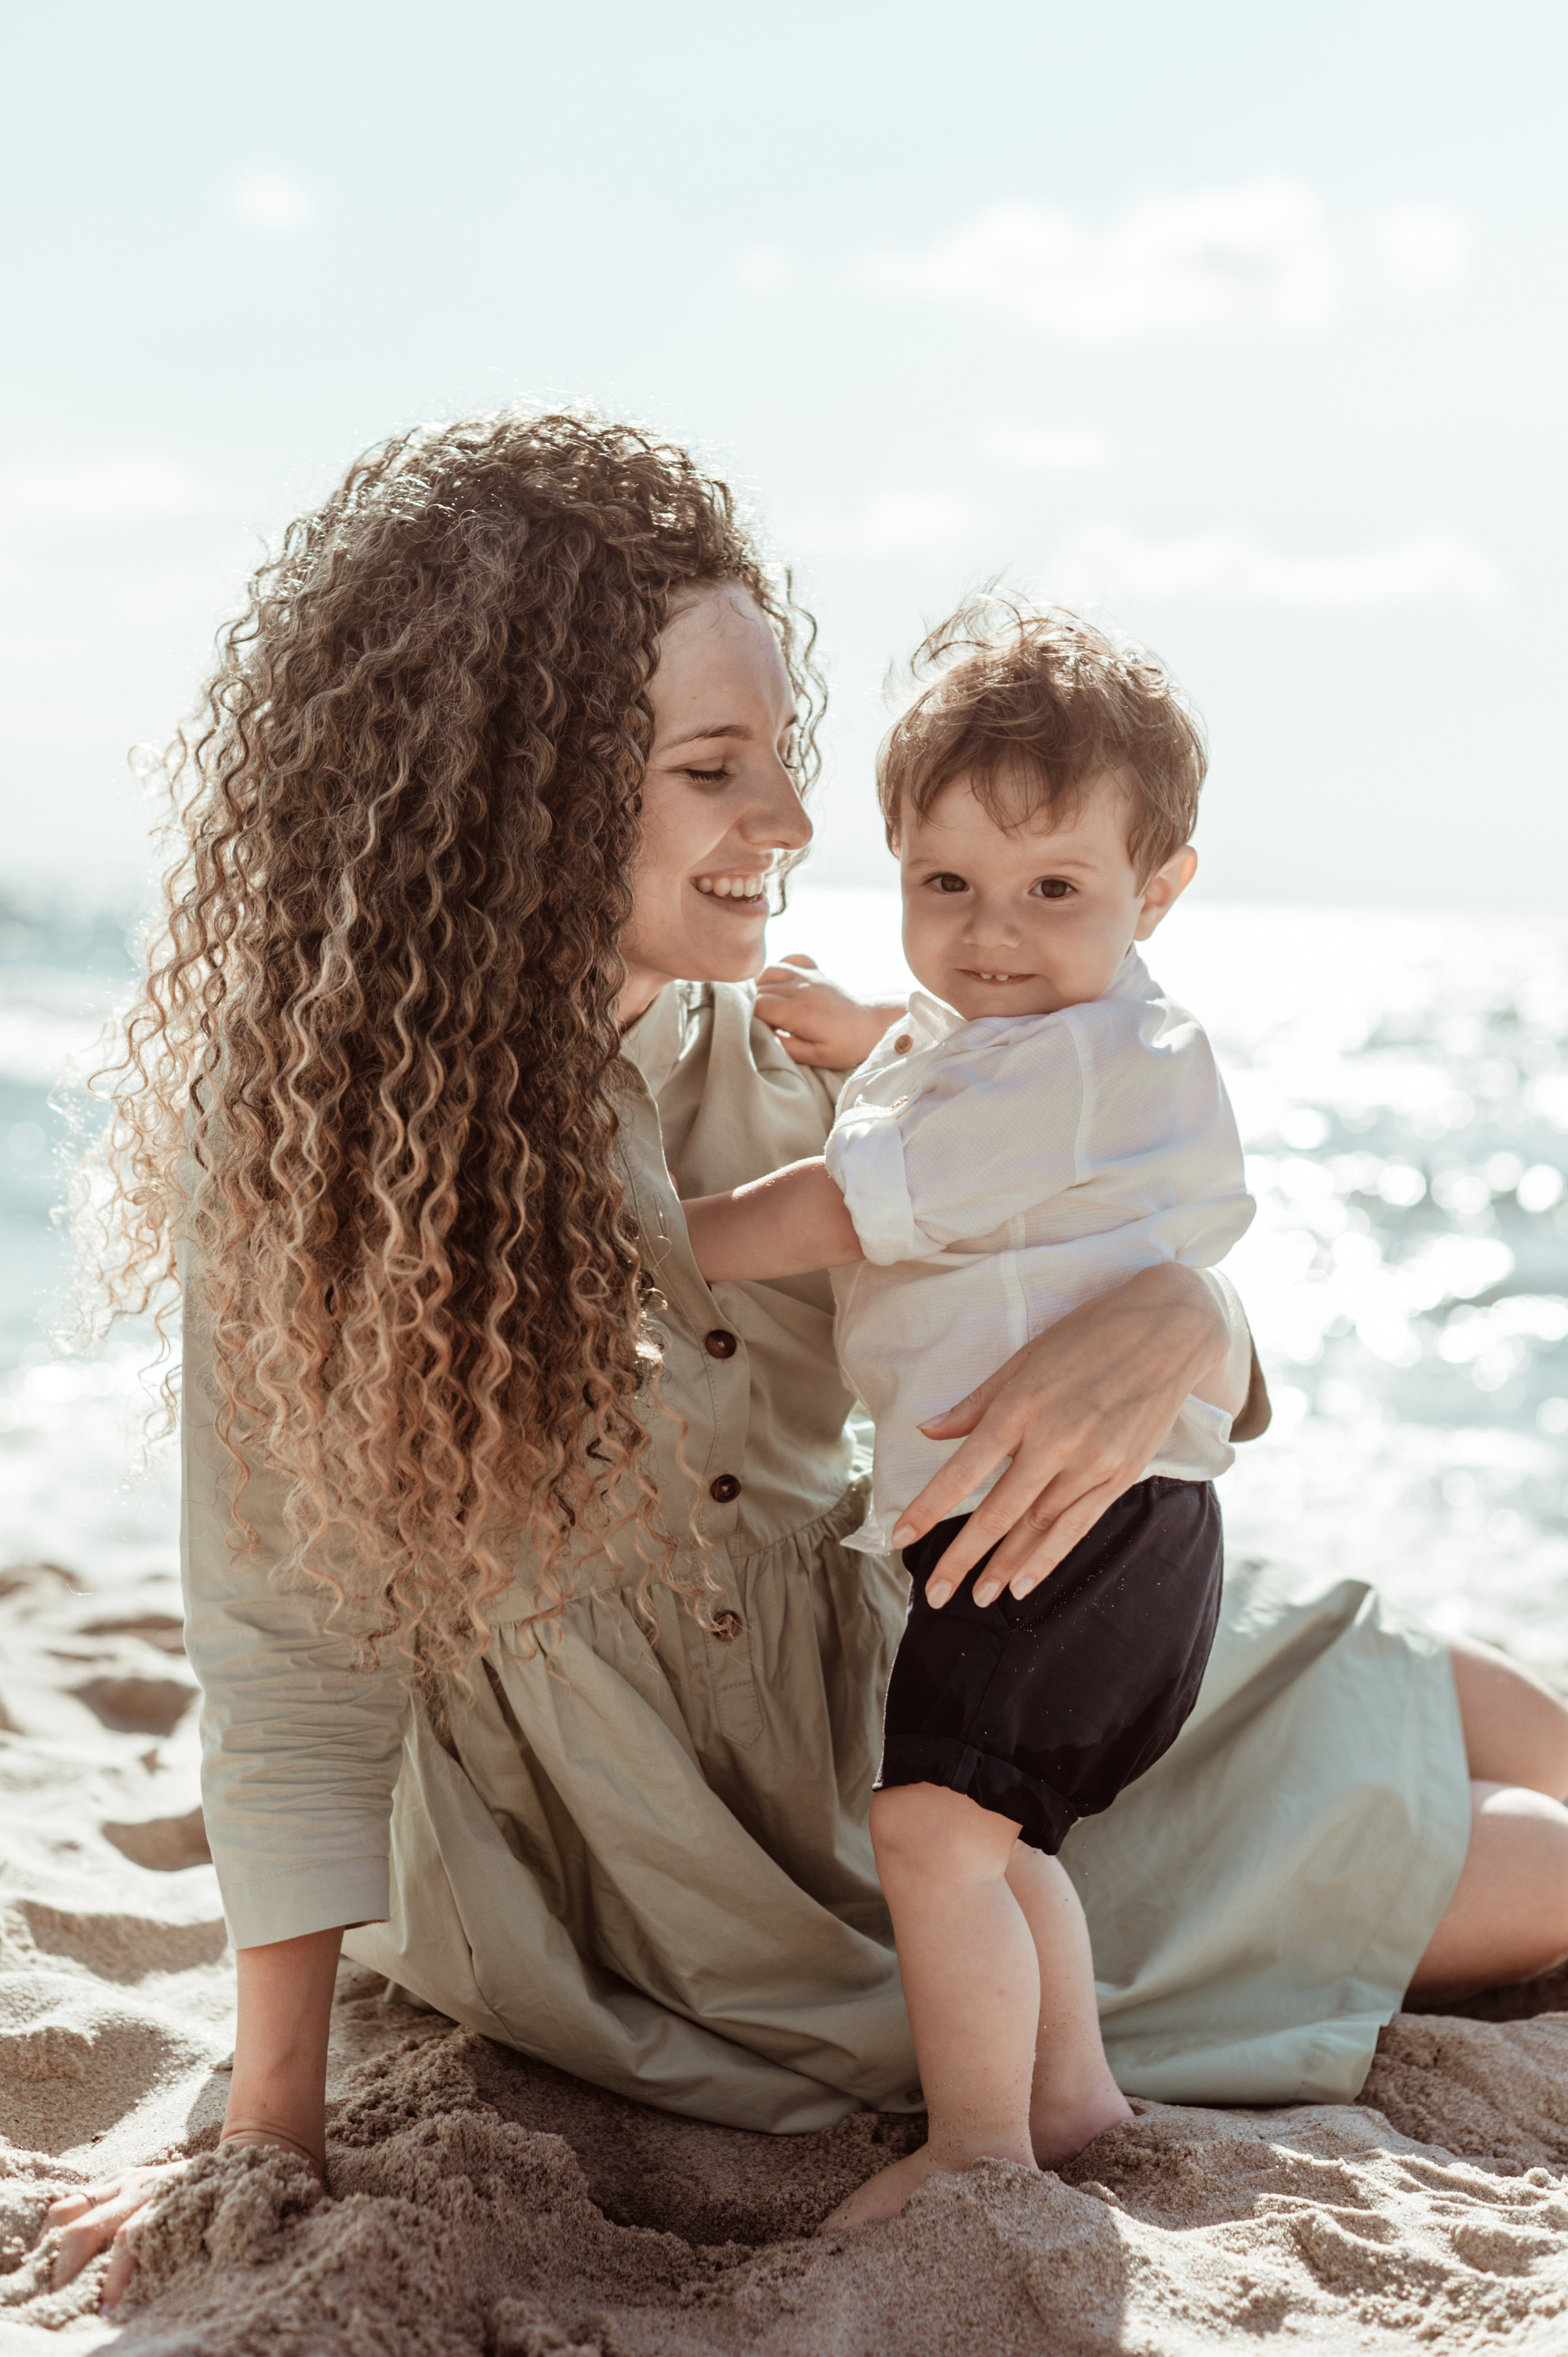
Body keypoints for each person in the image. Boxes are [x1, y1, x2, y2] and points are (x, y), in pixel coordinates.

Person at [40, 411, 1568, 2307]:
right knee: (1532, 1868)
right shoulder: (336, 1149)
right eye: (714, 769)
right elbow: (286, 1646)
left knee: (1482, 1692)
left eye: (782, 759)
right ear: (519, 796)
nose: (785, 823)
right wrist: (269, 2115)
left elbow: (1056, 1199)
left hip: (891, 1651)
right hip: (688, 1860)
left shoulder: (765, 1046)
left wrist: (1202, 1319)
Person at [684, 600, 1257, 2222]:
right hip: (1086, 1523)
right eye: (947, 888)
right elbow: (965, 1068)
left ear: (1159, 892)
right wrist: (882, 1037)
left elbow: (844, 1211)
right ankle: (1069, 2101)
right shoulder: (1053, 1036)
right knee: (999, 1840)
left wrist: (657, 1240)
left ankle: (980, 2150)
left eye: (1051, 892)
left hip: (1076, 1524)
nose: (990, 936)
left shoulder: (1086, 1060)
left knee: (931, 1832)